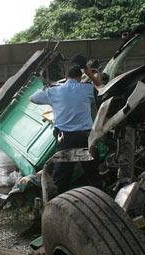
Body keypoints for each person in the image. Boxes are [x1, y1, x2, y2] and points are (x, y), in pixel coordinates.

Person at [29, 62, 102, 193]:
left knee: (61, 178)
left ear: (66, 77)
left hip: (65, 141)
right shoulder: (88, 89)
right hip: (85, 139)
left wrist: (48, 87)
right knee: (93, 175)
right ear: (80, 78)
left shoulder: (54, 91)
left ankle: (58, 206)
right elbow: (101, 90)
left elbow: (32, 98)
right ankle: (100, 201)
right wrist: (90, 74)